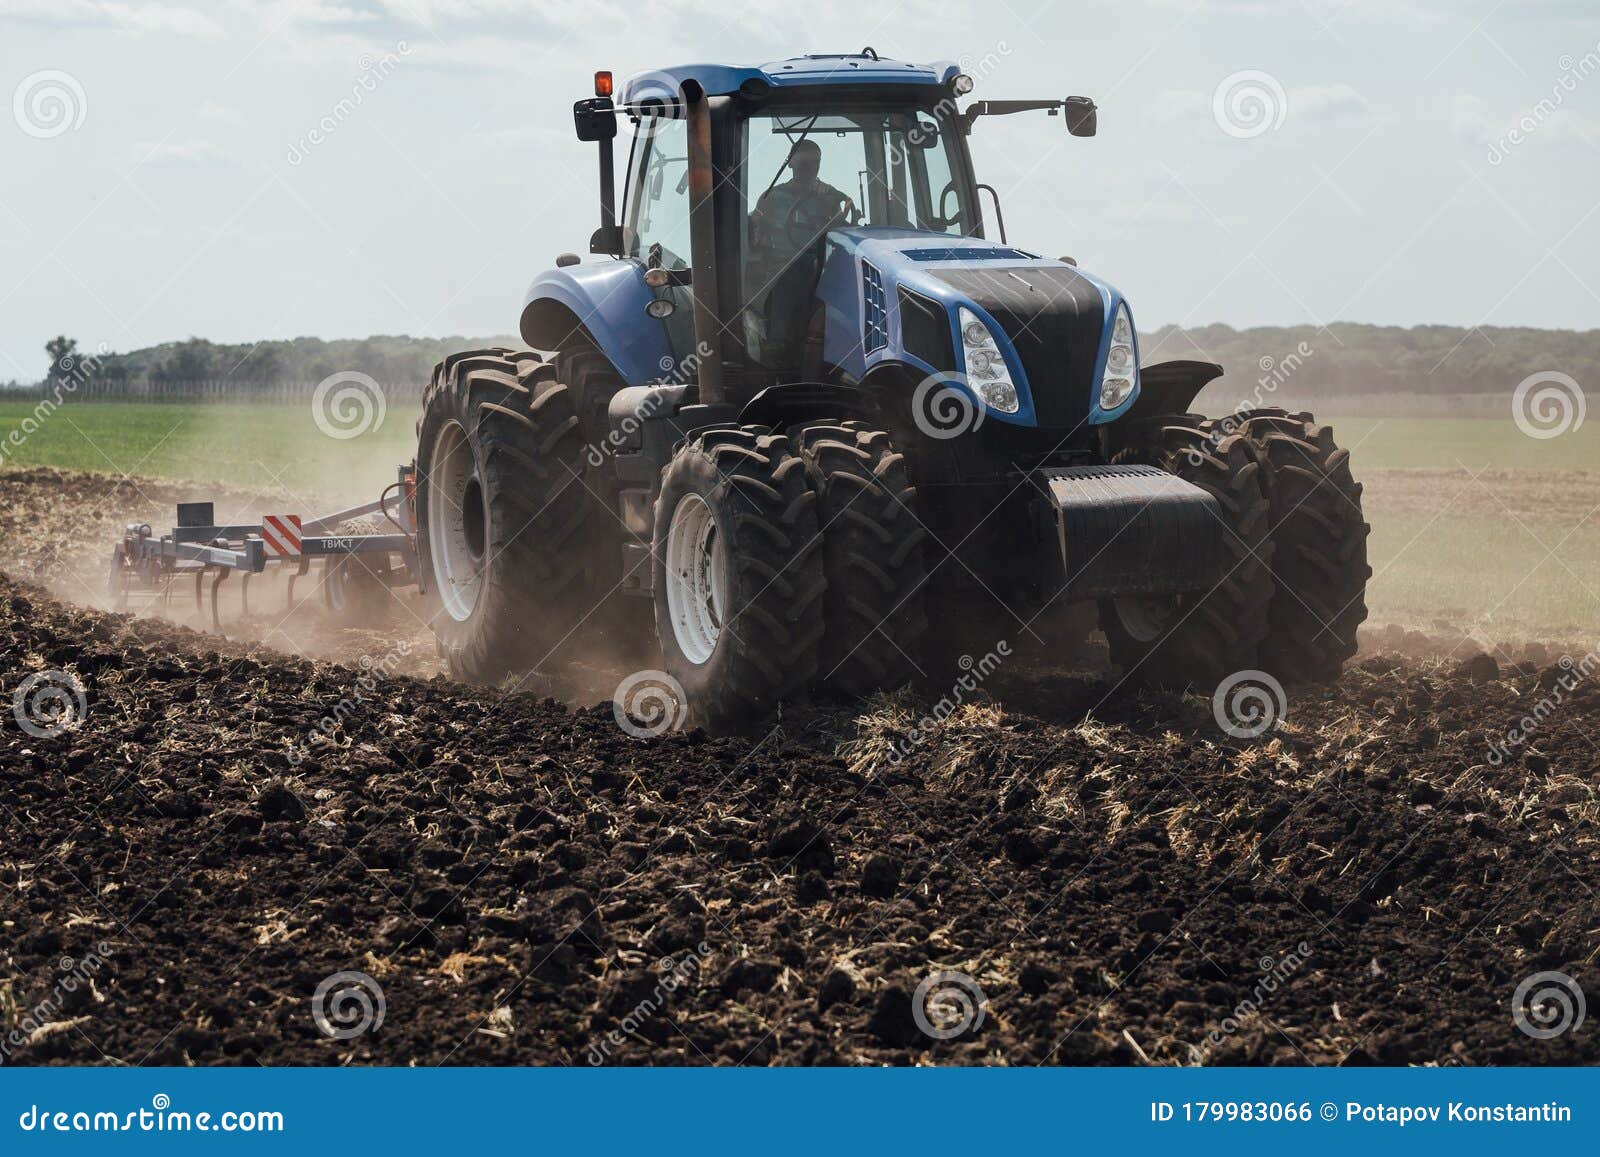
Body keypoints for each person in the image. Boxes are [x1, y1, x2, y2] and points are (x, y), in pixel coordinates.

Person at [748, 139, 856, 366]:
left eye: (815, 164)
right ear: (791, 164)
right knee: (790, 274)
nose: (810, 169)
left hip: (822, 269)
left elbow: (840, 228)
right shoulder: (772, 197)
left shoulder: (828, 198)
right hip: (780, 268)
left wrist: (829, 201)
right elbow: (754, 229)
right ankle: (778, 343)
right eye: (804, 164)